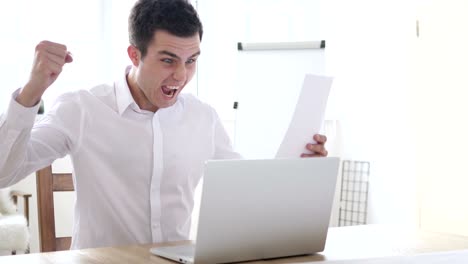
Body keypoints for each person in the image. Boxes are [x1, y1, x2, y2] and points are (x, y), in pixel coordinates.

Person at [0, 0, 328, 250]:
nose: (181, 76)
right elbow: (4, 173)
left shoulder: (203, 118)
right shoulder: (82, 108)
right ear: (134, 54)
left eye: (191, 61)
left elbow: (250, 190)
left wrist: (299, 170)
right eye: (168, 60)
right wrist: (33, 90)